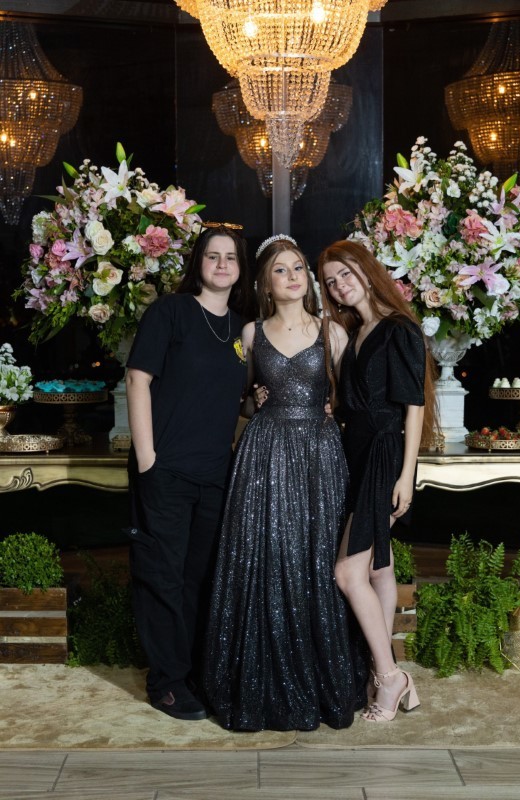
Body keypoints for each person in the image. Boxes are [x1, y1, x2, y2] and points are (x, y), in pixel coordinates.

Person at [204, 234, 368, 732]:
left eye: (298, 268)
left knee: (316, 559)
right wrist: (251, 402)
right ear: (265, 284)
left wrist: (333, 410)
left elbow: (351, 403)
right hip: (264, 454)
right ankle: (261, 684)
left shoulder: (332, 333)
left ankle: (323, 680)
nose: (293, 276)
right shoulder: (249, 334)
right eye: (281, 270)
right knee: (268, 557)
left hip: (319, 456)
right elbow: (239, 403)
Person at [125, 223, 254, 721]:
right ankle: (167, 684)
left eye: (231, 257)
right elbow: (137, 380)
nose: (222, 264)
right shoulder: (171, 312)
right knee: (162, 578)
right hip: (167, 470)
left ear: (240, 269)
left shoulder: (241, 329)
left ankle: (193, 673)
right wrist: (148, 459)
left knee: (198, 578)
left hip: (215, 476)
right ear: (198, 262)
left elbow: (232, 401)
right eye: (213, 255)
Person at [317, 239, 437, 723]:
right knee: (377, 570)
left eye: (345, 274)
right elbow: (353, 402)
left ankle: (390, 677)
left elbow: (414, 408)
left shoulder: (399, 329)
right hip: (356, 454)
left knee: (348, 573)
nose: (339, 286)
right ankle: (378, 671)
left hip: (386, 457)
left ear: (367, 270)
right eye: (330, 282)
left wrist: (406, 476)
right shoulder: (356, 332)